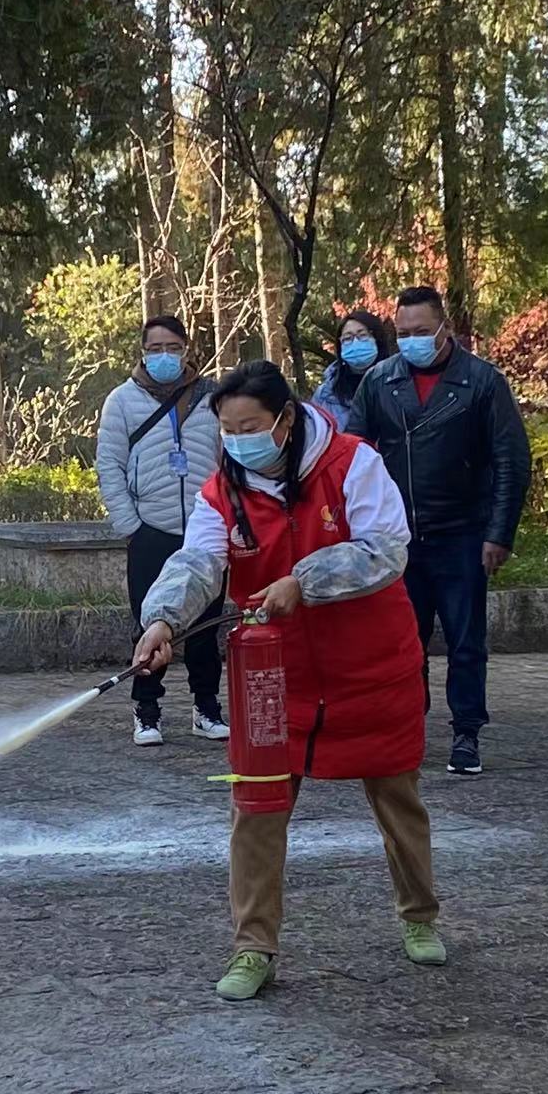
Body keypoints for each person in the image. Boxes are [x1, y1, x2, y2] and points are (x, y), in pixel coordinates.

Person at [133, 361, 443, 1002]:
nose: (240, 439)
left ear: (287, 418)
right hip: (272, 677)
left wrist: (306, 581)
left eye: (251, 426)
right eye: (227, 429)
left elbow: (387, 548)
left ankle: (420, 915)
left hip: (370, 667)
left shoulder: (354, 463)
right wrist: (163, 620)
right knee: (256, 809)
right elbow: (198, 560)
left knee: (398, 799)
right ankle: (253, 947)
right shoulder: (223, 491)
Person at [342, 285, 531, 777]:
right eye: (403, 333)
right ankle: (409, 725)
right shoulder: (380, 381)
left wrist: (499, 532)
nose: (412, 340)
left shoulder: (483, 381)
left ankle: (467, 732)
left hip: (462, 531)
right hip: (398, 535)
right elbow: (353, 456)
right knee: (404, 640)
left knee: (466, 640)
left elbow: (510, 460)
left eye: (422, 332)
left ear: (445, 328)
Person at [95, 315, 227, 746]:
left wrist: (227, 517)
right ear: (143, 352)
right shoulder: (121, 401)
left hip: (204, 530)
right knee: (149, 621)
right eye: (155, 349)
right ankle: (146, 710)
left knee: (207, 624)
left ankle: (206, 707)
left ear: (187, 349)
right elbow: (109, 466)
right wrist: (130, 526)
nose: (164, 356)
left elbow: (228, 460)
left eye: (173, 347)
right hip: (151, 529)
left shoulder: (211, 399)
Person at [314, 309, 394, 429]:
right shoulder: (326, 394)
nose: (355, 342)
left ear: (377, 339)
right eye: (347, 338)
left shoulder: (399, 383)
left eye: (362, 335)